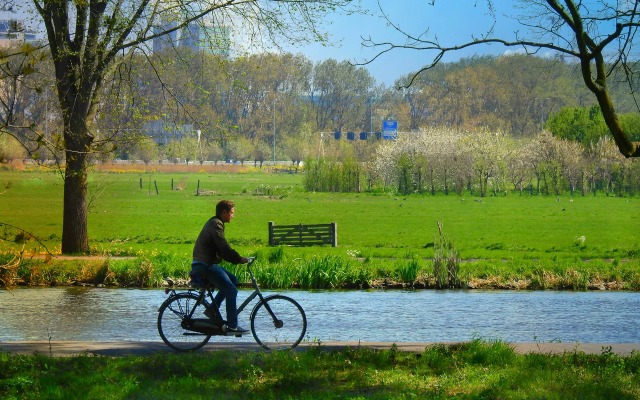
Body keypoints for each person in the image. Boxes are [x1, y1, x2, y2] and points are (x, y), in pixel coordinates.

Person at [191, 199, 249, 334]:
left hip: (205, 264)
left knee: (233, 280)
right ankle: (232, 326)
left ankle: (212, 310)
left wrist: (236, 258)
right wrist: (239, 259)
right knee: (231, 290)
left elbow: (222, 248)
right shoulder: (215, 225)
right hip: (205, 265)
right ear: (224, 212)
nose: (233, 216)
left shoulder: (216, 223)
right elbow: (223, 247)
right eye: (232, 213)